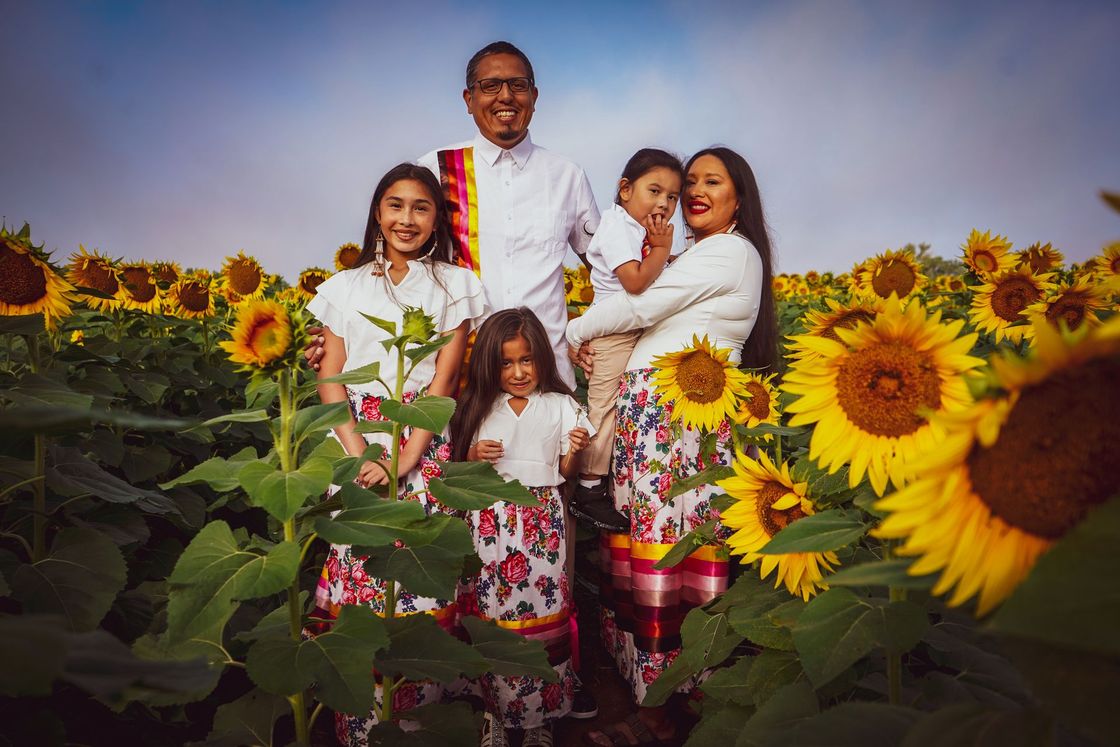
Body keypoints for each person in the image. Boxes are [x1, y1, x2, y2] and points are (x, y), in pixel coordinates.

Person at [566, 147, 778, 746]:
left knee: (671, 543)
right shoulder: (694, 253)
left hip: (682, 421)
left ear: (741, 196)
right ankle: (648, 689)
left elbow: (642, 304)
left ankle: (672, 703)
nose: (696, 192)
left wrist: (569, 332)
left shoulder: (730, 251)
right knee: (645, 537)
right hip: (656, 414)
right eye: (691, 183)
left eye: (714, 181)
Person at [306, 164, 488, 746]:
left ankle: (419, 719)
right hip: (354, 438)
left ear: (437, 218)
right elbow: (331, 378)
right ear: (377, 214)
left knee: (420, 572)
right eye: (395, 205)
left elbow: (444, 381)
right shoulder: (343, 287)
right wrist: (361, 453)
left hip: (422, 440)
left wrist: (405, 459)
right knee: (362, 570)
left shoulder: (454, 284)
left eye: (421, 207)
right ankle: (363, 722)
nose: (406, 218)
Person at [451, 308, 595, 747]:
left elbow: (567, 471)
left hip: (540, 522)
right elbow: (457, 465)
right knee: (491, 613)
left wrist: (574, 449)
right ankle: (494, 713)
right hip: (490, 523)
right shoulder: (478, 407)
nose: (518, 372)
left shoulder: (560, 405)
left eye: (527, 360)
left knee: (540, 611)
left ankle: (538, 717)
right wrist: (473, 455)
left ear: (543, 360)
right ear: (489, 365)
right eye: (506, 363)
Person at [569, 148, 684, 533]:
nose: (663, 204)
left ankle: (606, 479)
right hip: (611, 330)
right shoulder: (619, 226)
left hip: (630, 327)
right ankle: (587, 490)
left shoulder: (638, 230)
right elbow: (635, 282)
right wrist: (664, 250)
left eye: (672, 197)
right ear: (624, 190)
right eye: (654, 191)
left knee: (623, 407)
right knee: (603, 407)